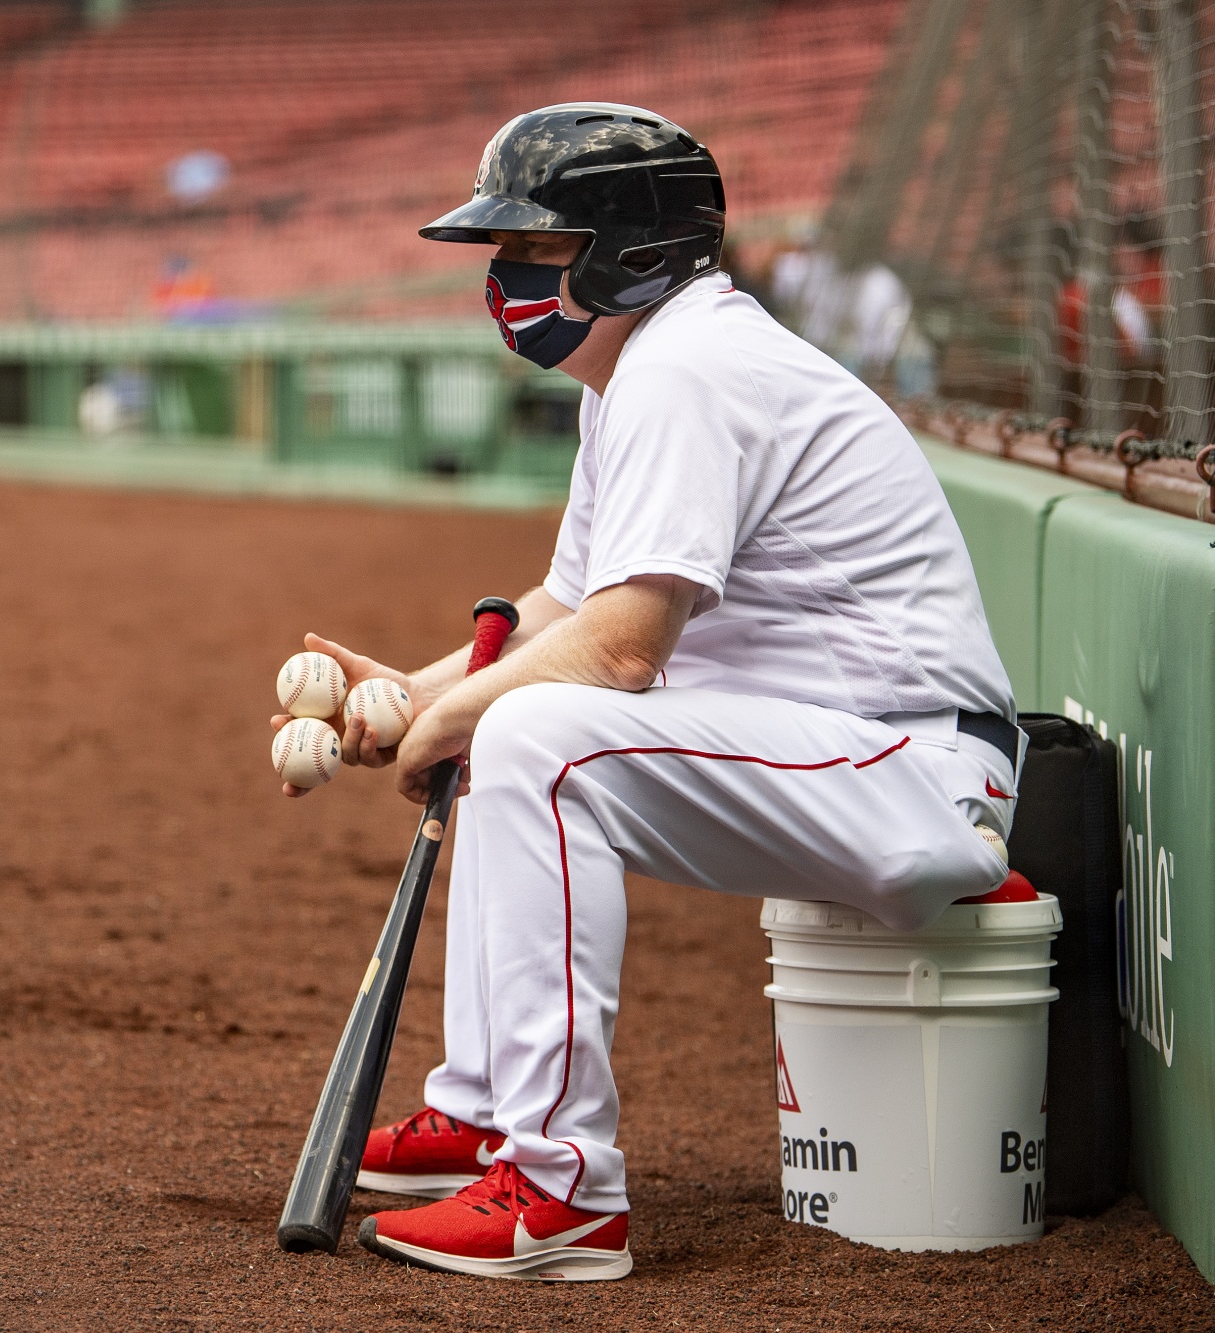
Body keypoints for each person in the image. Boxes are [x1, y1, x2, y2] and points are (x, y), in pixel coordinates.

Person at [273, 103, 1019, 1282]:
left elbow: (620, 653)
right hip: (837, 753)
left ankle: (561, 1194)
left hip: (909, 770)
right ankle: (481, 1113)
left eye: (531, 248)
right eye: (499, 252)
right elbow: (563, 606)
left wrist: (452, 718)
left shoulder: (686, 368)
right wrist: (406, 690)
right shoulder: (631, 374)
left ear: (630, 251)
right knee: (515, 721)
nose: (503, 276)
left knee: (537, 738)